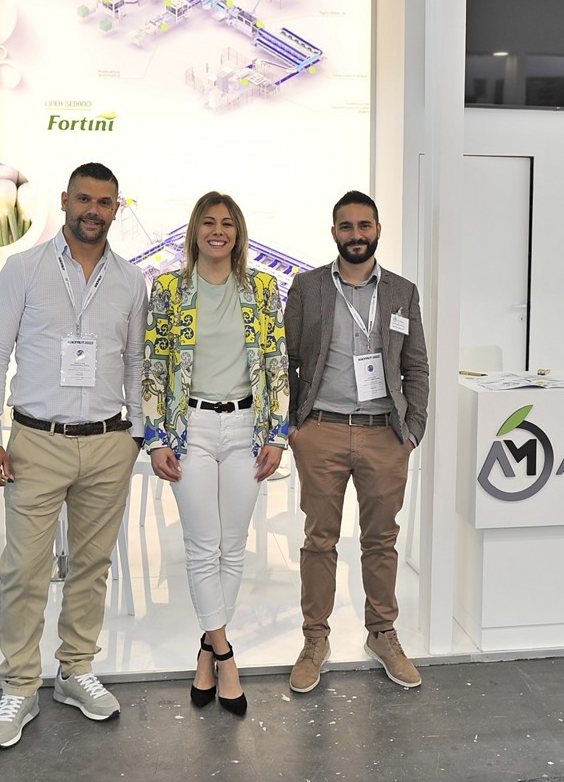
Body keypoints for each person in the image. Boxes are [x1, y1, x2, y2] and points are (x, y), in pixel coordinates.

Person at [0, 162, 148, 749]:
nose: (94, 211)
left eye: (105, 202)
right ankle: (20, 684)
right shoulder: (23, 270)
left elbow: (134, 362)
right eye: (84, 199)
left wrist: (136, 431)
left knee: (92, 567)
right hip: (37, 441)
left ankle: (75, 670)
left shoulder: (131, 280)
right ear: (66, 200)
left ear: (116, 209)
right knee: (25, 569)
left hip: (107, 442)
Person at [143, 191, 288, 718]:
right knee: (203, 546)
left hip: (248, 427)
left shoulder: (263, 289)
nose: (218, 231)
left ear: (239, 233)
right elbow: (153, 364)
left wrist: (277, 435)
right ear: (195, 231)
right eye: (208, 222)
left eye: (227, 223)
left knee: (233, 546)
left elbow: (277, 361)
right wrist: (157, 438)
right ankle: (226, 655)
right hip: (192, 430)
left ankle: (206, 647)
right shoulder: (168, 290)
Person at [285, 190, 430, 693]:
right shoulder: (307, 288)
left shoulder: (401, 292)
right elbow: (287, 360)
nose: (356, 235)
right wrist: (294, 428)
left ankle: (382, 634)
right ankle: (314, 640)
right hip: (321, 431)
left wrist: (413, 431)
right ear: (334, 233)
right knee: (319, 541)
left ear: (378, 230)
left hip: (384, 434)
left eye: (364, 225)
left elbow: (415, 366)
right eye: (346, 226)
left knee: (381, 540)